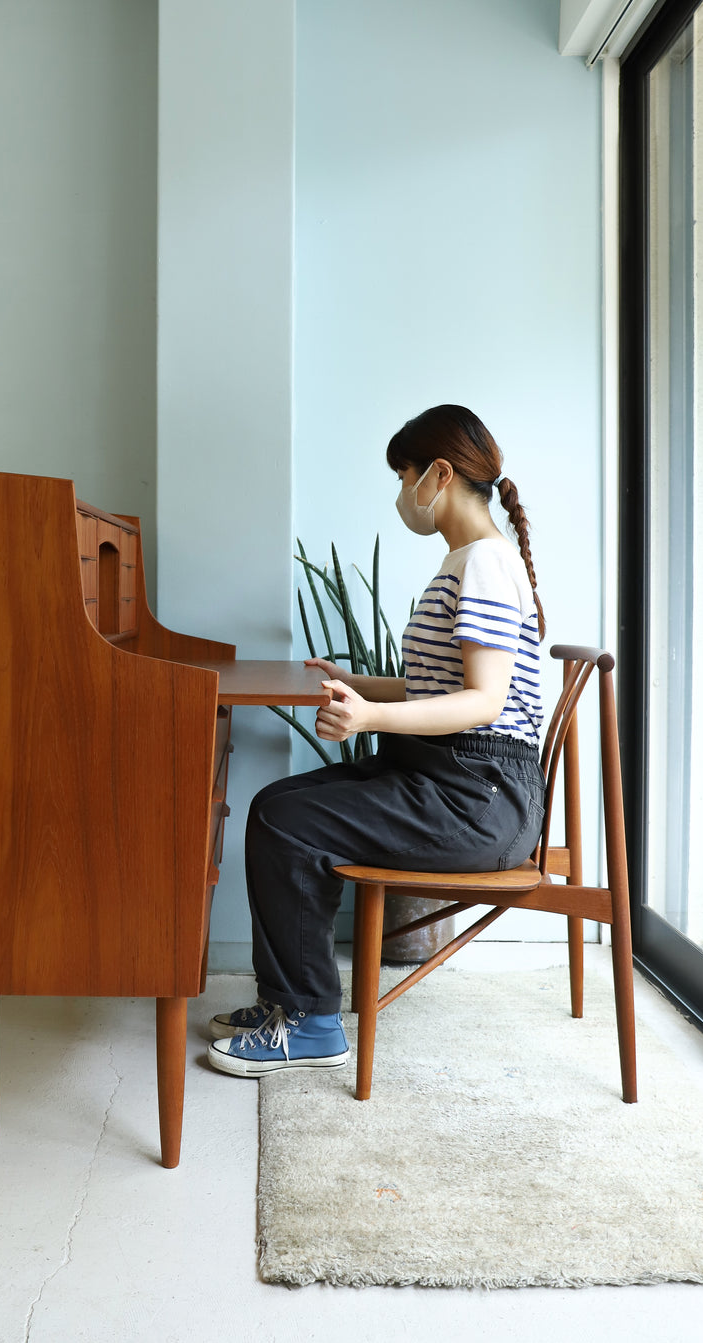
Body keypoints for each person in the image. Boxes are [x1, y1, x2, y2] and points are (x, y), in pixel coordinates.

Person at [207, 403, 547, 1077]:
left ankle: (309, 1023)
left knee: (286, 821)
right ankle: (291, 1006)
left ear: (439, 474)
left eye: (404, 476)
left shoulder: (482, 563)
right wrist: (357, 683)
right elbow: (436, 687)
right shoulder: (467, 560)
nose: (401, 494)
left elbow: (482, 702)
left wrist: (366, 719)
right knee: (278, 808)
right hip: (455, 778)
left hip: (477, 798)